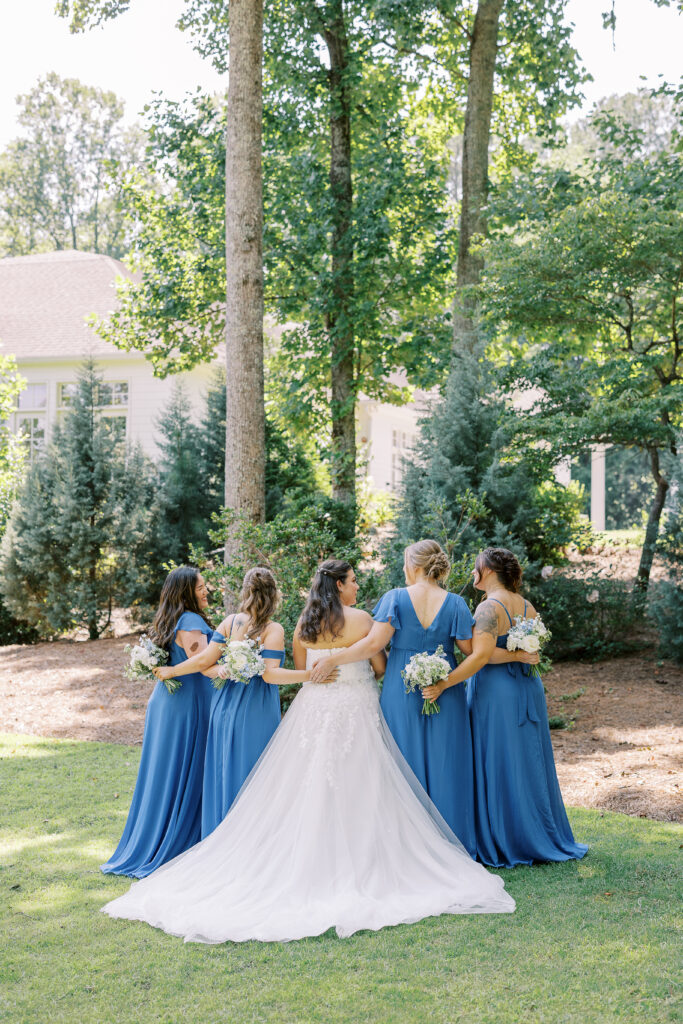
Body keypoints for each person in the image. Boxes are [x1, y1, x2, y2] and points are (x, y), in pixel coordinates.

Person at [101, 558, 514, 943]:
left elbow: (301, 671)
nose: (357, 585)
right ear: (340, 584)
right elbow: (380, 666)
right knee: (365, 783)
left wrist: (319, 670)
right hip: (355, 707)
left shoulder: (302, 623)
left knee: (302, 785)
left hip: (314, 710)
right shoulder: (364, 619)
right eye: (353, 580)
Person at [308, 540, 531, 855]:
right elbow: (474, 655)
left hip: (402, 692)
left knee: (402, 763)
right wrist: (517, 654)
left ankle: (405, 848)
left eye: (403, 563)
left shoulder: (395, 599)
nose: (403, 569)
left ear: (413, 565)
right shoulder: (455, 603)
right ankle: (452, 845)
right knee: (447, 762)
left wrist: (333, 659)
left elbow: (373, 645)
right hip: (446, 692)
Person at [421, 547, 588, 868]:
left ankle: (505, 837)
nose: (473, 572)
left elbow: (480, 656)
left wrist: (444, 683)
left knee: (498, 758)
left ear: (489, 571)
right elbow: (533, 648)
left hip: (497, 693)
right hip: (527, 686)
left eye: (476, 567)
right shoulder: (527, 606)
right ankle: (537, 832)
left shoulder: (488, 609)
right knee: (527, 759)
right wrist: (522, 656)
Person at [154, 566, 309, 837]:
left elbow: (204, 663)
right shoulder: (273, 630)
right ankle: (251, 840)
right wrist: (309, 676)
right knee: (255, 771)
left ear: (246, 593)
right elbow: (271, 675)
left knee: (223, 768)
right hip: (256, 709)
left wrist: (173, 670)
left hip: (224, 706)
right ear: (274, 595)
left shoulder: (230, 622)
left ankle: (220, 838)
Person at [101, 567, 214, 878]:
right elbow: (203, 664)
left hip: (166, 702)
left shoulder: (169, 620)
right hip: (187, 704)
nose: (207, 591)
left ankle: (153, 837)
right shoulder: (191, 621)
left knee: (164, 772)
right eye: (201, 587)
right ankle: (176, 841)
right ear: (186, 593)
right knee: (183, 769)